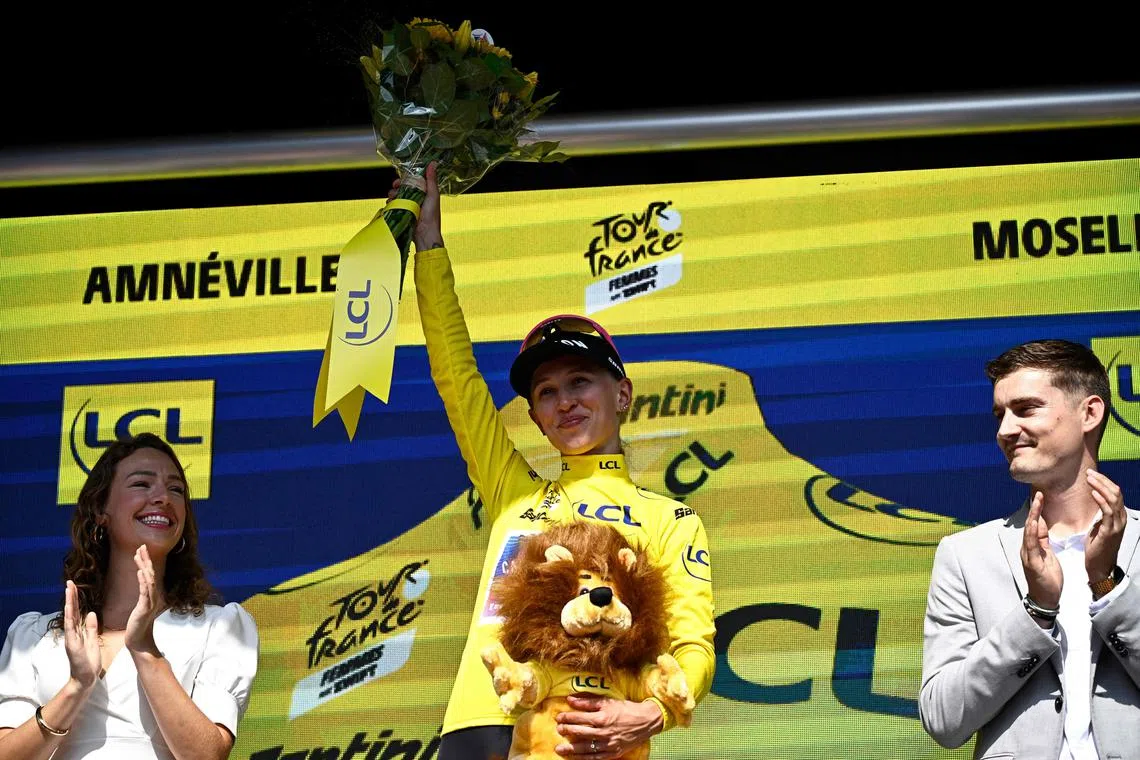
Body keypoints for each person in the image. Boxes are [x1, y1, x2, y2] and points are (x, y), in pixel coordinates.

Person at [396, 162, 715, 760]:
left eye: (580, 381)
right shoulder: (514, 489)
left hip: (592, 737)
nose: (564, 401)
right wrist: (429, 244)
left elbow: (694, 645)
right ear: (536, 416)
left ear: (621, 394)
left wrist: (652, 715)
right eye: (545, 392)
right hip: (477, 728)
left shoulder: (672, 520)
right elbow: (456, 375)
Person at [919, 339, 1139, 758]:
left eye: (1025, 409)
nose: (1004, 431)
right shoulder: (966, 556)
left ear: (1090, 413)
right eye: (1000, 415)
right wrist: (1036, 610)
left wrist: (1108, 585)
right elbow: (944, 720)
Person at [0, 433, 259, 760]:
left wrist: (145, 650)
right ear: (100, 511)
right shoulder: (35, 636)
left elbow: (207, 755)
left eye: (176, 489)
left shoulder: (218, 627)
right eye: (142, 484)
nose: (163, 497)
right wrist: (76, 688)